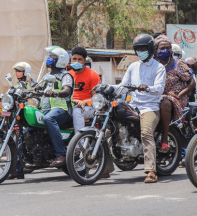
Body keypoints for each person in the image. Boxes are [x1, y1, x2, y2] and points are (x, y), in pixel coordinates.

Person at [121, 34, 166, 183]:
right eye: (138, 49)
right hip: (133, 105)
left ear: (151, 49)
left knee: (146, 132)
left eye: (143, 49)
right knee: (110, 129)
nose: (140, 51)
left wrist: (147, 88)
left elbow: (159, 89)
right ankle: (105, 169)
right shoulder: (133, 66)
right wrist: (106, 88)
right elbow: (123, 86)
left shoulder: (159, 67)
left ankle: (151, 170)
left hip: (150, 107)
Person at [69, 46, 114, 178]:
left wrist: (84, 101)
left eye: (79, 59)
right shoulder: (69, 75)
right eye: (74, 59)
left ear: (84, 60)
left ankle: (79, 144)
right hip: (70, 106)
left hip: (88, 108)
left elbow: (96, 98)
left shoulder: (92, 75)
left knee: (78, 111)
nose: (76, 61)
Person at [155, 35, 195, 155]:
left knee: (165, 102)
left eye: (168, 48)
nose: (165, 50)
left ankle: (165, 139)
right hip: (156, 96)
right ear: (156, 49)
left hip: (176, 98)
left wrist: (179, 95)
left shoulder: (178, 64)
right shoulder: (154, 65)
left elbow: (191, 82)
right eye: (162, 48)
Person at [41, 46, 74, 167]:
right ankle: (18, 167)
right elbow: (38, 87)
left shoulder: (65, 75)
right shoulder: (48, 76)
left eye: (52, 57)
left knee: (48, 119)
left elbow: (67, 91)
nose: (49, 59)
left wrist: (55, 93)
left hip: (63, 109)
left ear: (60, 60)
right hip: (47, 109)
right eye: (49, 56)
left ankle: (61, 154)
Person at [8, 61, 36, 180]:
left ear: (26, 72)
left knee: (19, 141)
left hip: (29, 115)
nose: (17, 73)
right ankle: (16, 169)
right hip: (17, 115)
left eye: (19, 71)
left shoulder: (32, 84)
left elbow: (35, 96)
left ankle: (18, 170)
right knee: (14, 141)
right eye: (16, 71)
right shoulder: (15, 85)